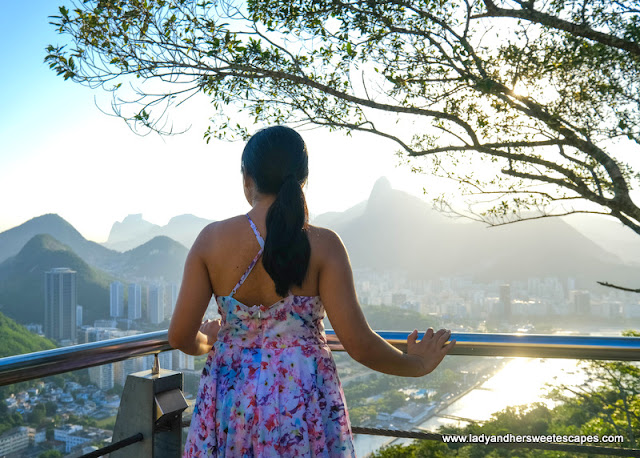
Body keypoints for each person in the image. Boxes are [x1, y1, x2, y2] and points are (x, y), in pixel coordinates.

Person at [168, 125, 456, 457]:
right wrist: (416, 364)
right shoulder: (325, 245)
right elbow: (359, 344)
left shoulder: (211, 240)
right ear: (302, 180)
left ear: (247, 179)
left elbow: (180, 337)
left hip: (231, 401)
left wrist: (208, 340)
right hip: (302, 399)